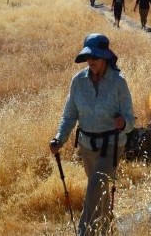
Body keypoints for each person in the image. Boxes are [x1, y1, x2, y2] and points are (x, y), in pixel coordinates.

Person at [50, 34, 135, 236]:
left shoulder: (118, 82)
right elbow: (70, 115)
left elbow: (130, 120)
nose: (91, 61)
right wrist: (59, 138)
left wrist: (123, 123)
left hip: (112, 146)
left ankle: (84, 232)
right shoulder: (78, 82)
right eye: (89, 57)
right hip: (87, 146)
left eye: (96, 57)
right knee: (100, 191)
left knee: (95, 186)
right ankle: (106, 230)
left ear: (105, 58)